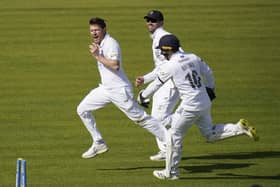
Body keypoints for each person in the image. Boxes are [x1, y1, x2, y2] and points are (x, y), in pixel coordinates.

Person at [137, 34, 258, 180]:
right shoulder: (193, 56)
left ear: (167, 50)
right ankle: (238, 128)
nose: (162, 54)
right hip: (204, 101)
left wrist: (143, 95)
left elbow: (157, 84)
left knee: (172, 136)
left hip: (190, 106)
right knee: (210, 134)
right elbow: (209, 72)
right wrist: (211, 89)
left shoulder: (171, 65)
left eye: (163, 51)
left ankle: (171, 173)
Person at [77, 17, 168, 159]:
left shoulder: (111, 43)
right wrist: (98, 55)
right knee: (82, 109)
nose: (94, 33)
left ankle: (169, 141)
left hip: (119, 90)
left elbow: (115, 65)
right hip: (106, 89)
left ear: (104, 29)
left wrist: (97, 56)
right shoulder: (100, 43)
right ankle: (98, 142)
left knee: (141, 119)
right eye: (91, 30)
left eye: (96, 30)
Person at [135, 10, 180, 161]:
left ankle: (189, 116)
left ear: (161, 22)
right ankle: (165, 150)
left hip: (169, 83)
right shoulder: (158, 37)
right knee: (156, 118)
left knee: (158, 120)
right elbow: (162, 66)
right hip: (165, 81)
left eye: (153, 20)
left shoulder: (162, 38)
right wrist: (145, 78)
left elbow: (169, 65)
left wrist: (148, 82)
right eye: (148, 20)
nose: (149, 23)